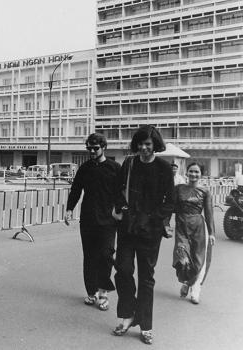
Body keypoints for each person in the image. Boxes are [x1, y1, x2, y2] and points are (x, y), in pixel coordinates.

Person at [111, 125, 174, 345]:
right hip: (128, 227)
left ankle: (146, 325)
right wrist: (122, 208)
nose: (143, 148)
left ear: (155, 144)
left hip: (150, 231)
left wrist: (153, 219)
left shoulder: (164, 168)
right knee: (123, 270)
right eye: (140, 144)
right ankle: (129, 313)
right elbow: (117, 190)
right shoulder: (129, 164)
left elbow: (170, 202)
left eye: (148, 144)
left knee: (146, 278)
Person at [65, 133, 121, 311]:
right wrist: (69, 209)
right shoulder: (85, 168)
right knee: (89, 256)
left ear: (104, 147)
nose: (91, 151)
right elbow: (76, 190)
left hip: (108, 220)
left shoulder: (114, 167)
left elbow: (122, 192)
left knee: (105, 255)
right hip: (88, 218)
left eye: (95, 148)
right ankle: (91, 291)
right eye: (89, 148)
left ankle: (103, 292)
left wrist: (119, 211)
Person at [172, 162, 215, 304]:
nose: (193, 174)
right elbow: (171, 206)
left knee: (198, 261)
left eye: (196, 172)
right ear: (187, 172)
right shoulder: (178, 189)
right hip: (182, 226)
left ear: (201, 174)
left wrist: (212, 233)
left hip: (199, 227)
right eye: (191, 171)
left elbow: (209, 213)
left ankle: (195, 290)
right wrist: (165, 224)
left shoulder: (205, 191)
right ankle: (187, 281)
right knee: (182, 257)